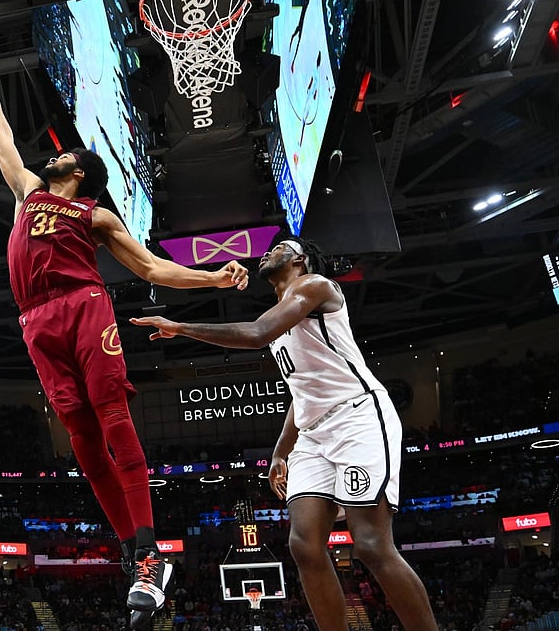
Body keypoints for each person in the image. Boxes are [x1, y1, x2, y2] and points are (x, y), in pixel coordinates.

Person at [0, 52, 248, 625]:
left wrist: (212, 275)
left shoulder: (97, 215)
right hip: (34, 320)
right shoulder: (27, 193)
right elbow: (2, 144)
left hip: (84, 307)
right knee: (79, 437)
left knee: (113, 418)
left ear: (79, 172)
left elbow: (152, 269)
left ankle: (149, 553)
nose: (52, 154)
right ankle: (134, 551)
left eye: (65, 155)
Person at [131, 237, 437, 631]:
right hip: (312, 433)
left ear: (300, 259)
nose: (268, 252)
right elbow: (301, 393)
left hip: (357, 418)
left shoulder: (314, 286)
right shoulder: (282, 316)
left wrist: (180, 327)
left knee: (371, 545)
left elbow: (256, 333)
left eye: (279, 248)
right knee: (304, 545)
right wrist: (280, 452)